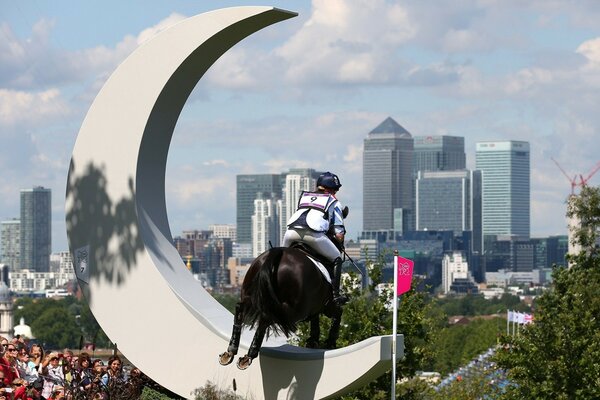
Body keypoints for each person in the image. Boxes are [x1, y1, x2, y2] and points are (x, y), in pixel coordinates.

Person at [283, 171, 348, 305]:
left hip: (290, 233)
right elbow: (339, 232)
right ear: (330, 189)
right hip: (313, 235)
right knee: (337, 258)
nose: (335, 193)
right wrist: (340, 241)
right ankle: (335, 295)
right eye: (335, 190)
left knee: (281, 258)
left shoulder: (304, 197)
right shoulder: (334, 202)